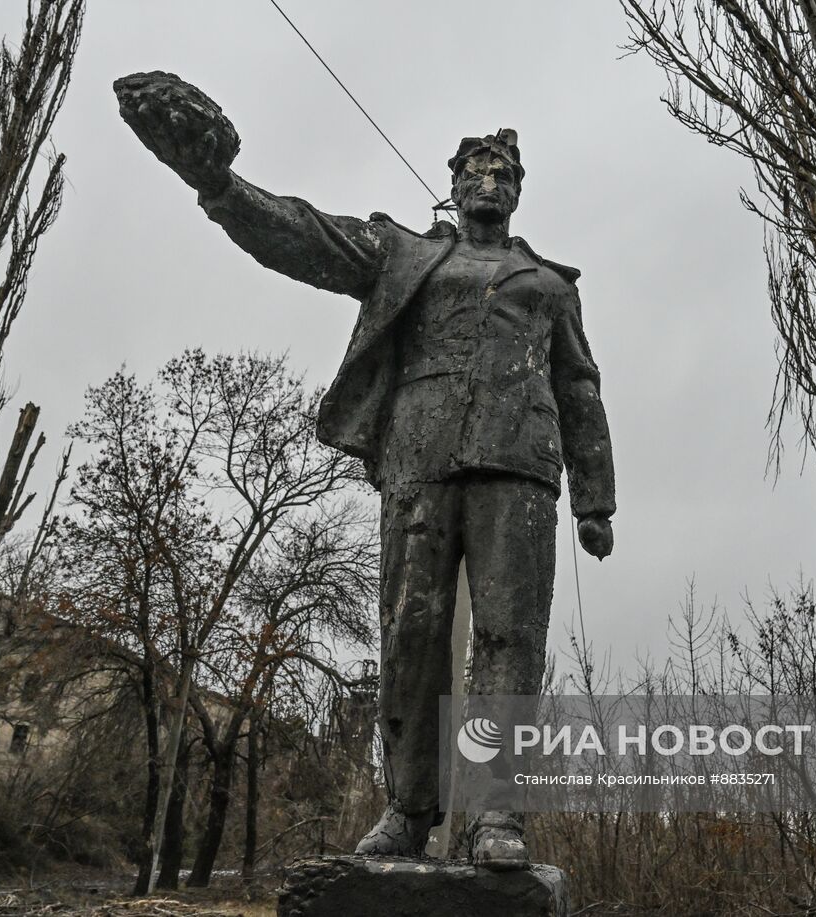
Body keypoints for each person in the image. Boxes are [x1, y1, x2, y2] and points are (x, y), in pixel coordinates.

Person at [115, 74, 616, 869]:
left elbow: (579, 384)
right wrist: (219, 185)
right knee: (410, 632)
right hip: (419, 457)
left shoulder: (551, 284)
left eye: (505, 174)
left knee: (508, 639)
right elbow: (306, 237)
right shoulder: (403, 252)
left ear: (519, 193)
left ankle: (494, 818)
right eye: (477, 172)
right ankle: (409, 808)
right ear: (453, 186)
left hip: (520, 466)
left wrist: (596, 496)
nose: (491, 182)